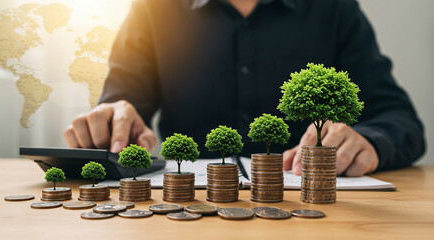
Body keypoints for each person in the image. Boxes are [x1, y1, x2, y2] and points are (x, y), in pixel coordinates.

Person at [64, 0, 425, 177]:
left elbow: (400, 119)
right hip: (181, 216)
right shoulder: (153, 8)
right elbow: (123, 107)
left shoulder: (332, 8)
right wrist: (114, 118)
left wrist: (372, 140)